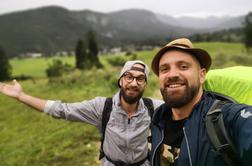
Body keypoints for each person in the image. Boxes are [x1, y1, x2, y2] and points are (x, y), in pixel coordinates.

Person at [0, 60, 163, 166]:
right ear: (120, 80)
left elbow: (182, 109)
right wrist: (21, 96)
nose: (134, 83)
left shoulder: (152, 108)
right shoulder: (102, 107)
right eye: (128, 77)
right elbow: (61, 110)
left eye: (140, 79)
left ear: (145, 84)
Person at [149, 38, 252, 166]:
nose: (172, 75)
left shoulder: (225, 119)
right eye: (164, 69)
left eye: (183, 66)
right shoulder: (157, 120)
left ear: (202, 75)